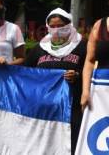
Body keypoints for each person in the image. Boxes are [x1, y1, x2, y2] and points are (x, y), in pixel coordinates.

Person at [24, 8, 86, 155]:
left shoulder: (82, 46)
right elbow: (25, 74)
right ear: (47, 27)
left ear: (69, 25)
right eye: (53, 26)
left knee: (70, 143)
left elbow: (92, 70)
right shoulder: (39, 48)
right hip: (44, 109)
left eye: (61, 26)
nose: (57, 29)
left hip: (72, 108)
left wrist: (78, 75)